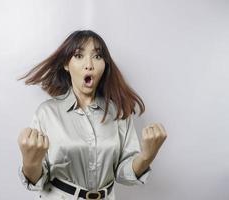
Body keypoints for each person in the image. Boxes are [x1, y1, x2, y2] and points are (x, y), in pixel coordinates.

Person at [17, 30, 167, 200]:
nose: (89, 64)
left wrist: (147, 156)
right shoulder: (47, 112)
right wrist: (30, 162)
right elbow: (37, 180)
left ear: (105, 64)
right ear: (66, 64)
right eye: (79, 56)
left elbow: (124, 175)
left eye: (97, 56)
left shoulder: (118, 112)